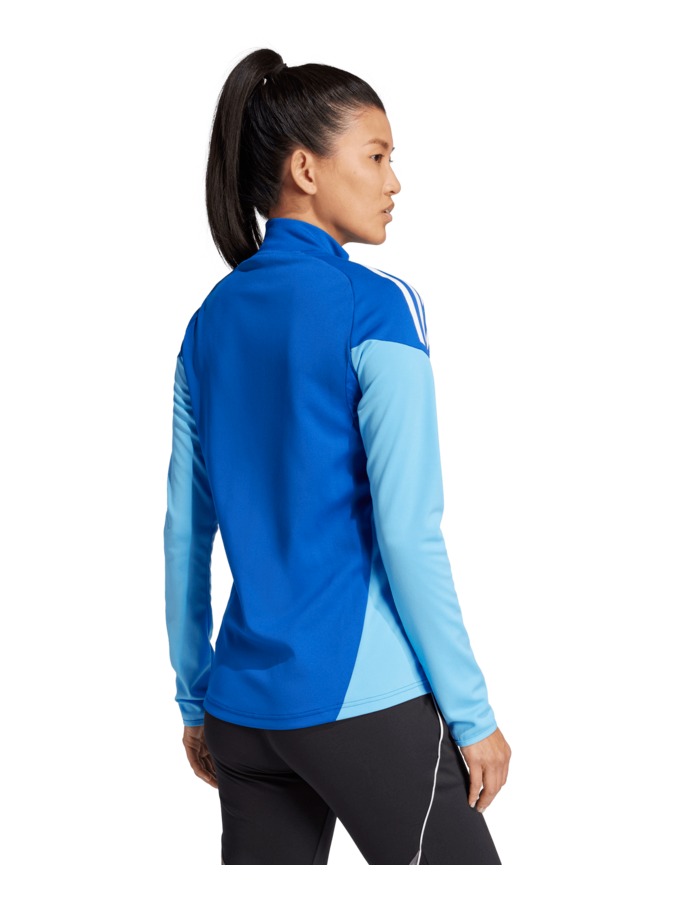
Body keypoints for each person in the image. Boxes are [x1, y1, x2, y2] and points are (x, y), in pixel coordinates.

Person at [163, 47, 511, 866]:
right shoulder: (375, 306)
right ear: (305, 169)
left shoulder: (208, 323)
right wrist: (472, 716)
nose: (395, 182)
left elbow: (185, 532)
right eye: (378, 156)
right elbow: (408, 531)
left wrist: (194, 697)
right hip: (360, 703)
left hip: (241, 712)